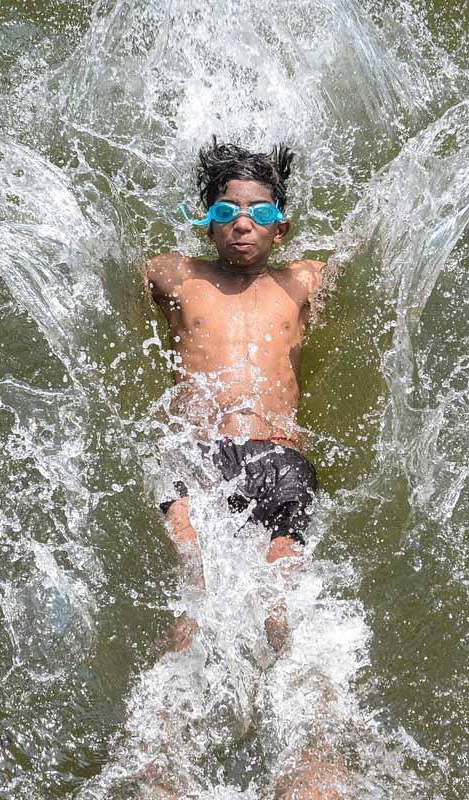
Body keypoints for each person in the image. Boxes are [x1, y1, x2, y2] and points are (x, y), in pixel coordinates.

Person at [142, 140, 346, 799]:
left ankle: (311, 760)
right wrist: (188, 215)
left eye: (259, 211)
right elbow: (134, 270)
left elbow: (360, 250)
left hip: (281, 461)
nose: (241, 221)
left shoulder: (303, 281)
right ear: (206, 219)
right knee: (193, 591)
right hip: (195, 456)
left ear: (281, 224)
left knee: (280, 607)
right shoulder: (175, 275)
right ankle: (162, 757)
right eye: (225, 209)